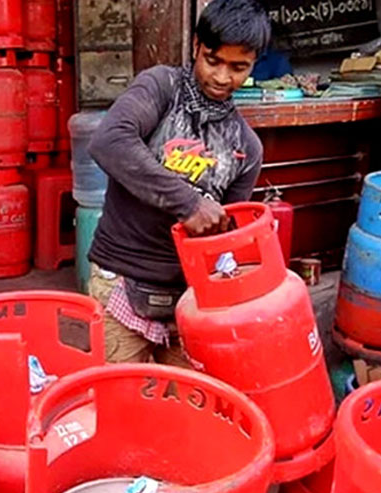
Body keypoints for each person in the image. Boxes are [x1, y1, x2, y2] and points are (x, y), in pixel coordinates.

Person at [86, 0, 270, 365]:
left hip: (190, 297)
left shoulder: (246, 147)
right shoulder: (161, 88)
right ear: (196, 46)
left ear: (253, 66)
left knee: (188, 407)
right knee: (121, 405)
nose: (221, 77)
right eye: (213, 60)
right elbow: (109, 141)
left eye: (238, 67)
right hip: (121, 277)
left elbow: (225, 236)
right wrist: (188, 203)